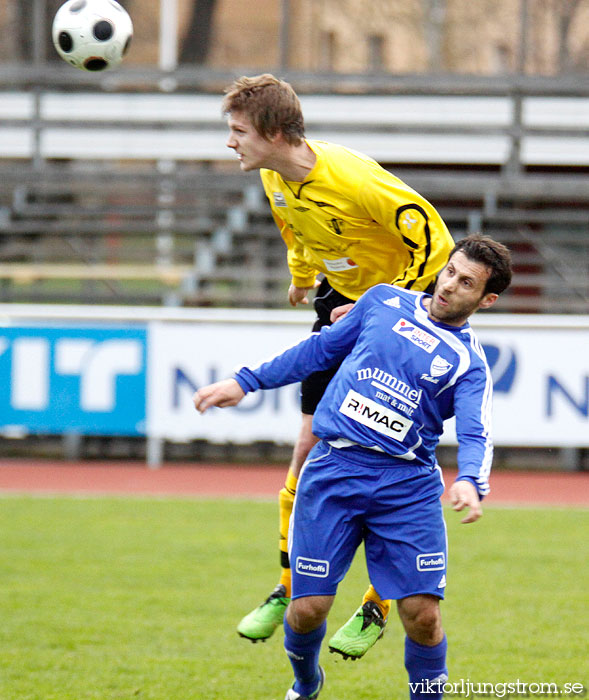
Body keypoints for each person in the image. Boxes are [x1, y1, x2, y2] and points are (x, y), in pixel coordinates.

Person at [193, 234, 512, 700]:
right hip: (334, 470)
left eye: (466, 283)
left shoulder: (469, 364)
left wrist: (468, 479)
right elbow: (319, 351)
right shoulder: (384, 301)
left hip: (406, 487)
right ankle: (306, 683)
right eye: (449, 271)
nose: (448, 286)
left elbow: (476, 430)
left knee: (423, 615)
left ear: (486, 300)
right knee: (308, 610)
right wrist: (247, 381)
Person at [221, 73, 455, 658]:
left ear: (275, 132)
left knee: (396, 456)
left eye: (238, 131)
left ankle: (381, 601)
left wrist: (393, 303)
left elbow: (436, 241)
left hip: (405, 322)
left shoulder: (354, 179)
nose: (230, 143)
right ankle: (289, 587)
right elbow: (294, 229)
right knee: (306, 449)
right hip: (337, 309)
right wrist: (304, 279)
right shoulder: (276, 177)